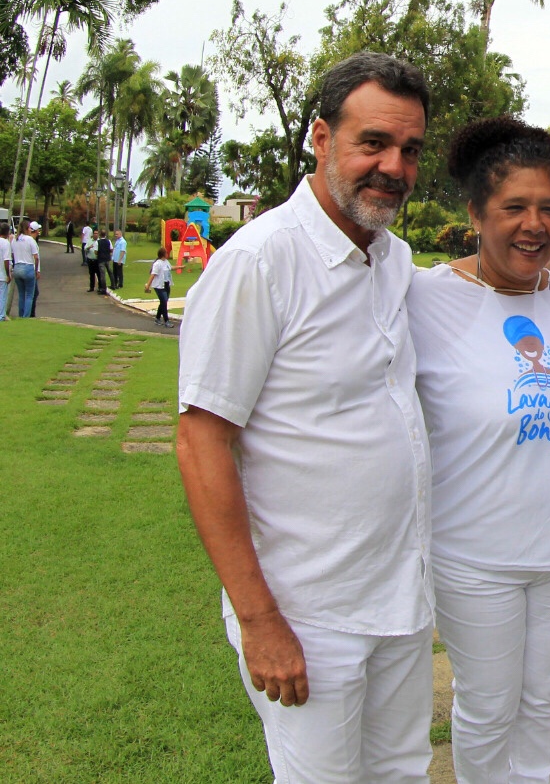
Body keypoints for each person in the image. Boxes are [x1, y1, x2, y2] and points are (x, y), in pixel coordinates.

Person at [175, 51, 435, 782]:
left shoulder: (393, 258)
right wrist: (259, 621)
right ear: (321, 139)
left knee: (402, 774)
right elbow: (201, 443)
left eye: (409, 150)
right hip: (308, 615)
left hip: (400, 599)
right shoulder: (259, 262)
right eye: (373, 143)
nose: (393, 165)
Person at [407, 117, 550, 783]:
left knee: (544, 702)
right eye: (514, 207)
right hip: (476, 559)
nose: (533, 224)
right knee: (490, 707)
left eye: (549, 208)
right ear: (475, 212)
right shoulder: (425, 298)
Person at [10, 219, 40, 318]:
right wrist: (36, 271)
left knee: (21, 294)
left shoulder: (15, 239)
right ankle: (26, 316)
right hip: (28, 267)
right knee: (29, 295)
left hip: (17, 267)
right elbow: (36, 257)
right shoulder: (30, 240)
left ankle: (20, 314)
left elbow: (13, 255)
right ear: (28, 229)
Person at [143, 247, 174, 327]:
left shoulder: (166, 262)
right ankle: (166, 321)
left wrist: (180, 267)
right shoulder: (157, 264)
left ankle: (157, 318)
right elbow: (152, 275)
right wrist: (148, 285)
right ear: (163, 254)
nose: (168, 254)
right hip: (159, 286)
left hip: (166, 284)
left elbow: (171, 268)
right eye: (166, 253)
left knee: (164, 302)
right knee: (164, 302)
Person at [95, 229, 113, 295]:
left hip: (101, 259)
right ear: (105, 235)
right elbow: (111, 249)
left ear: (100, 234)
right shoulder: (109, 241)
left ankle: (103, 289)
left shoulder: (98, 242)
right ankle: (113, 284)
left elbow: (96, 251)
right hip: (107, 258)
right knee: (110, 272)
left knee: (103, 275)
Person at [0, 223, 11, 321]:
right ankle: (1, 316)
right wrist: (8, 275)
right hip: (2, 274)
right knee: (3, 296)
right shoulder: (5, 243)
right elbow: (6, 260)